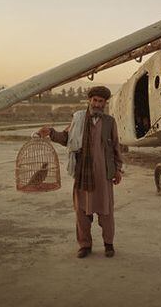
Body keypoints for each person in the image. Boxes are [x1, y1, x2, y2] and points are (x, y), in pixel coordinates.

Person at [38, 86, 123, 258]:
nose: (97, 104)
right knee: (81, 212)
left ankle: (108, 244)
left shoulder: (109, 122)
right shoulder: (78, 119)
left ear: (105, 103)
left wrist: (118, 169)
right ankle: (84, 245)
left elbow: (115, 147)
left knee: (106, 212)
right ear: (89, 100)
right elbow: (66, 138)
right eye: (95, 100)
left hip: (103, 175)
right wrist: (51, 133)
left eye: (101, 101)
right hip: (83, 173)